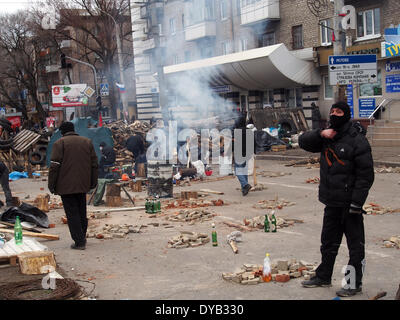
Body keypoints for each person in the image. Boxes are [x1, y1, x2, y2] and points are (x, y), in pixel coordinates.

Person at [298, 101, 374, 297]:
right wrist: (320, 133)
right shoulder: (328, 135)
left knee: (355, 247)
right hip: (331, 202)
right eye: (332, 111)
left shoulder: (357, 140)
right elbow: (303, 142)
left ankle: (353, 283)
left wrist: (357, 202)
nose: (334, 114)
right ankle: (323, 276)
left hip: (350, 205)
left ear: (346, 114)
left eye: (338, 111)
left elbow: (366, 175)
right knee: (328, 243)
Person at [48, 122, 98, 250]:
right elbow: (94, 164)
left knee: (72, 214)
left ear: (62, 132)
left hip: (66, 187)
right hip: (83, 185)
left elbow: (54, 166)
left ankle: (79, 241)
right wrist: (93, 181)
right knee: (82, 212)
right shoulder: (87, 142)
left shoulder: (60, 143)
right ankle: (82, 237)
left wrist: (51, 184)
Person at [232, 113, 252, 196]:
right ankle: (244, 189)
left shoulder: (237, 131)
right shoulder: (248, 130)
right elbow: (252, 141)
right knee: (244, 170)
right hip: (247, 153)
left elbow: (234, 143)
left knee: (238, 171)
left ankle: (245, 185)